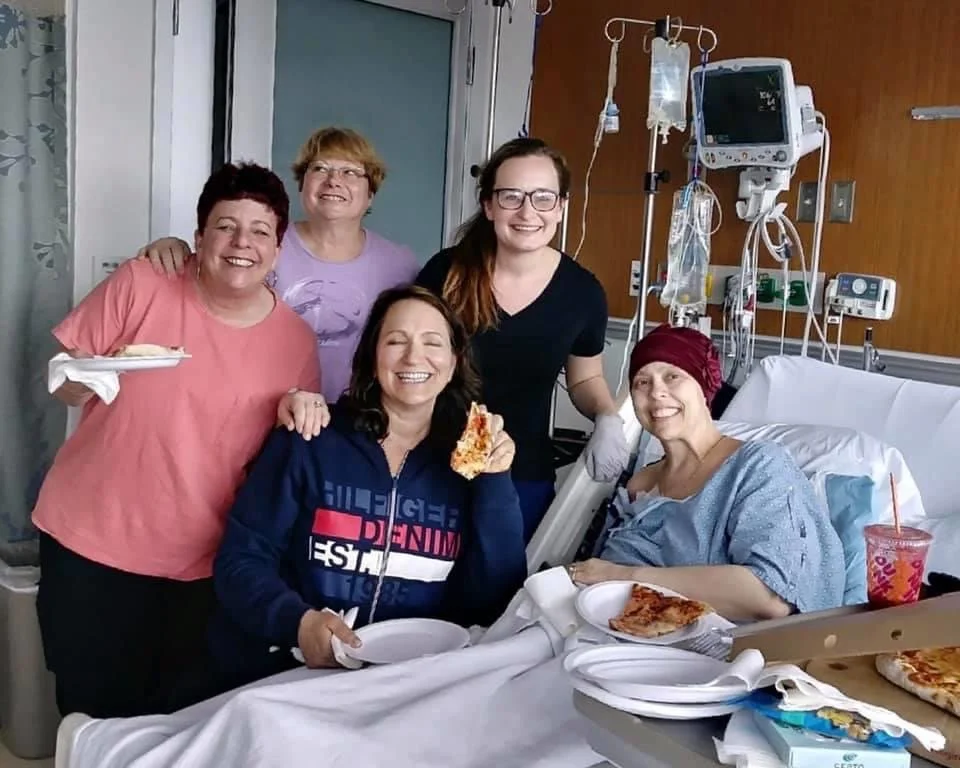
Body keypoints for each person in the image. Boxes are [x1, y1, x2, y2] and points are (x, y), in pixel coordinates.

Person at [33, 162, 321, 719]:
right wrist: (91, 372)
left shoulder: (295, 341)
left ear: (279, 247)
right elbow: (64, 384)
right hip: (93, 544)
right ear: (198, 237)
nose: (242, 243)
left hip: (206, 565)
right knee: (91, 711)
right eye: (225, 226)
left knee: (177, 718)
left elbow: (289, 450)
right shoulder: (143, 283)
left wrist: (303, 411)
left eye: (260, 231)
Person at [180, 285, 527, 701]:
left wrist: (495, 481)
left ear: (453, 363)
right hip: (283, 675)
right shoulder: (311, 439)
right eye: (395, 341)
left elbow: (495, 600)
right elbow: (241, 561)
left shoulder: (469, 465)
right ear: (371, 357)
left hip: (404, 686)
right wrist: (297, 622)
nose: (413, 357)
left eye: (432, 343)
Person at [415, 137, 629, 541]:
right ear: (489, 205)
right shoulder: (445, 274)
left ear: (562, 207)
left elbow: (583, 379)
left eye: (543, 198)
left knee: (503, 595)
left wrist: (606, 416)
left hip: (522, 475)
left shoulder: (581, 293)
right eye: (511, 196)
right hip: (432, 465)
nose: (528, 211)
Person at [568, 325, 846, 620]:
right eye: (642, 382)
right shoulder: (637, 483)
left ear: (704, 388)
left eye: (672, 376)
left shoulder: (757, 466)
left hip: (709, 653)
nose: (656, 392)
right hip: (604, 633)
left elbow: (770, 597)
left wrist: (625, 575)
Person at [138, 126, 419, 406]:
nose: (333, 180)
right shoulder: (260, 245)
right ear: (302, 184)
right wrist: (175, 247)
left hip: (360, 419)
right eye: (320, 168)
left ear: (370, 194)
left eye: (350, 172)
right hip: (260, 411)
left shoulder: (400, 265)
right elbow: (209, 285)